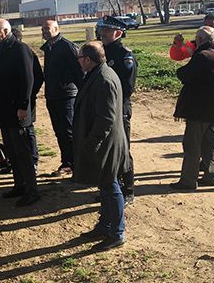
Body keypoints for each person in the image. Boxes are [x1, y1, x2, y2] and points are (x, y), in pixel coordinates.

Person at [170, 14, 214, 178]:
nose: (208, 27)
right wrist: (177, 44)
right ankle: (207, 163)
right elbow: (177, 55)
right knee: (206, 130)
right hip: (206, 93)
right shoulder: (198, 43)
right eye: (205, 24)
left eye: (211, 25)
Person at [72, 41, 128, 252]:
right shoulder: (98, 73)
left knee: (110, 186)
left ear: (87, 59)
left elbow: (106, 118)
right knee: (104, 186)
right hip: (103, 142)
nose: (78, 62)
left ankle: (117, 233)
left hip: (106, 144)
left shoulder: (104, 79)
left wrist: (91, 144)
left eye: (79, 58)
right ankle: (105, 225)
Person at [0, 19, 39, 206]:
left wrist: (23, 106)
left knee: (23, 152)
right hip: (4, 110)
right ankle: (20, 185)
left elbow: (28, 80)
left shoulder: (20, 49)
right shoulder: (0, 49)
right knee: (11, 150)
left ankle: (32, 190)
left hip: (17, 111)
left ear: (5, 31)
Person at [170, 27, 214, 191]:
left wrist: (181, 71)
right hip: (211, 106)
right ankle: (211, 174)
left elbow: (184, 74)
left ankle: (188, 180)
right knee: (208, 142)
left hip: (198, 107)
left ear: (200, 40)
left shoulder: (202, 56)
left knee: (192, 144)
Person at [99, 16, 138, 205]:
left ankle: (128, 189)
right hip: (103, 108)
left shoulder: (124, 55)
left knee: (122, 149)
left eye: (107, 30)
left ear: (118, 33)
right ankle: (110, 186)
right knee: (106, 149)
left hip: (119, 108)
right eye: (103, 30)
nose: (103, 33)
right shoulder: (102, 52)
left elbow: (127, 87)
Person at [40, 20, 82, 177]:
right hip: (53, 96)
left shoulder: (67, 46)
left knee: (68, 131)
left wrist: (82, 94)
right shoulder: (49, 47)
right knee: (59, 131)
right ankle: (67, 162)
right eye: (42, 29)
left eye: (47, 28)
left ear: (57, 29)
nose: (44, 31)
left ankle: (77, 165)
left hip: (67, 96)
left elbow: (79, 72)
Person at [13, 27, 43, 173]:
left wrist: (31, 94)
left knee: (28, 129)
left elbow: (38, 77)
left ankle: (34, 160)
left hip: (27, 100)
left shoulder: (28, 53)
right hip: (15, 100)